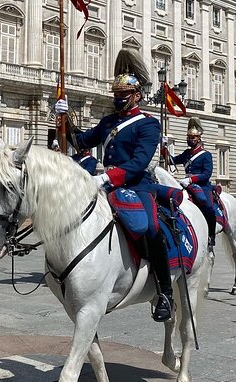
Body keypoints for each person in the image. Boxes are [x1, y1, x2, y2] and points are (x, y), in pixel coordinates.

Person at [54, 48, 174, 322]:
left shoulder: (148, 125)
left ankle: (164, 291)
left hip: (136, 184)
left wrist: (107, 177)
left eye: (124, 96)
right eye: (116, 96)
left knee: (151, 228)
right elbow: (82, 141)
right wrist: (64, 117)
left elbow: (139, 162)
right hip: (106, 185)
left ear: (137, 96)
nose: (119, 100)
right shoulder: (109, 121)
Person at [162, 117, 216, 246]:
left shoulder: (205, 155)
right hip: (186, 185)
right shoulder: (187, 153)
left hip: (202, 186)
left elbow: (206, 174)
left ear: (199, 139)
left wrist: (191, 179)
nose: (190, 140)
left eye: (193, 138)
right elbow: (171, 161)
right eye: (189, 137)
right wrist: (164, 148)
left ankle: (211, 235)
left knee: (207, 206)